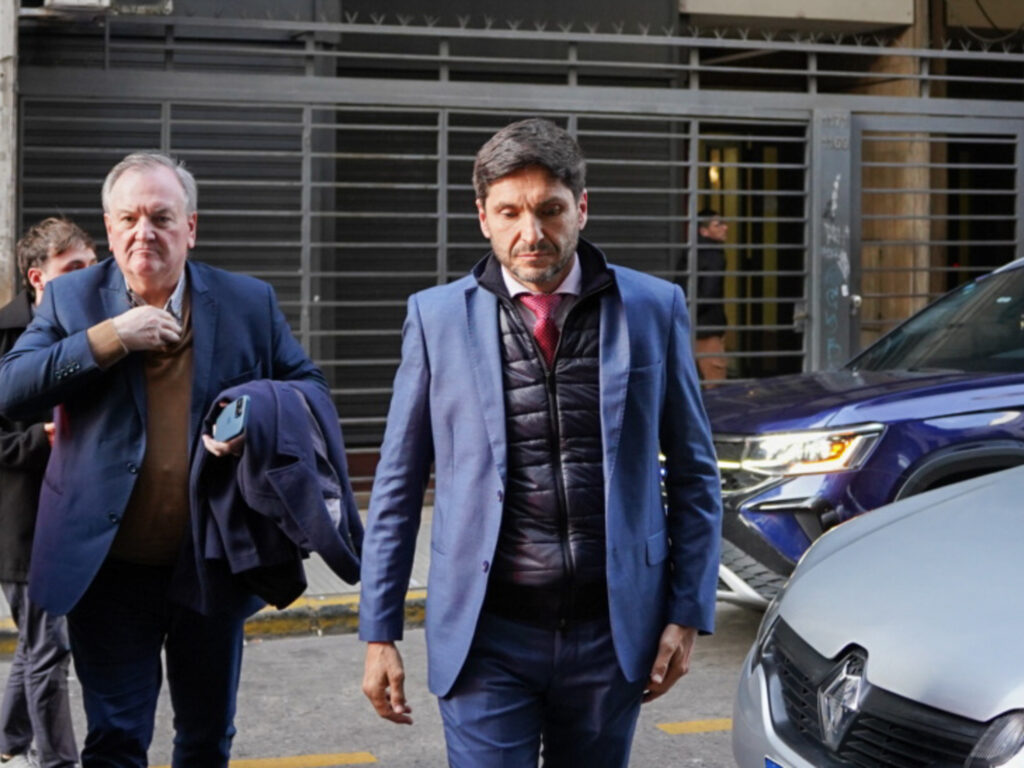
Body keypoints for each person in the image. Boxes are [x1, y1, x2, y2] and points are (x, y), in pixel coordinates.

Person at [359, 118, 722, 767]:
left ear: (581, 208)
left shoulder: (653, 307)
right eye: (510, 212)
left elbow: (695, 473)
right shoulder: (436, 319)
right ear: (483, 217)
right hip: (486, 637)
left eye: (550, 210)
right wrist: (379, 632)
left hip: (612, 634)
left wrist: (687, 611)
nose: (531, 233)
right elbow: (396, 486)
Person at [0, 153, 328, 768]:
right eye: (128, 219)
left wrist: (253, 418)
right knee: (115, 739)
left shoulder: (246, 301)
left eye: (161, 217)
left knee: (206, 739)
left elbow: (308, 389)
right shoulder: (72, 298)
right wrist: (111, 338)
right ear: (109, 226)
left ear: (190, 227)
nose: (143, 233)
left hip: (211, 560)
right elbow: (10, 387)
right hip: (108, 570)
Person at [0, 217, 96, 768]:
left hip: (75, 514)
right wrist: (42, 438)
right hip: (22, 522)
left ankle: (8, 741)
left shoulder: (92, 329)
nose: (89, 276)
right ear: (38, 278)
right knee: (49, 647)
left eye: (92, 265)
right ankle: (57, 761)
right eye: (73, 268)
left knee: (36, 643)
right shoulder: (5, 339)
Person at [679, 209, 729, 381]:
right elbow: (709, 292)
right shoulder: (714, 255)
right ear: (704, 231)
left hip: (687, 326)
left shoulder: (689, 252)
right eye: (718, 225)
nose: (725, 227)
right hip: (708, 326)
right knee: (714, 381)